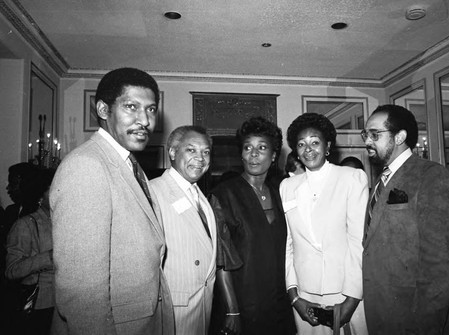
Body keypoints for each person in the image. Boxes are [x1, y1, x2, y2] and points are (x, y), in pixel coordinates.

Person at [50, 67, 174, 334]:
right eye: (132, 107)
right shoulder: (86, 166)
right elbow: (81, 293)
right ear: (104, 111)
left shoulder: (129, 164)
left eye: (151, 109)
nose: (145, 120)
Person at [361, 104, 449, 335]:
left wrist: (422, 326)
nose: (367, 141)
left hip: (416, 320)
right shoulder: (380, 181)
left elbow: (441, 266)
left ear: (400, 137)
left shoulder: (432, 176)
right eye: (365, 134)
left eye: (374, 134)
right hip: (383, 313)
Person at [280, 112, 368, 335]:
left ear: (328, 145)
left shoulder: (351, 178)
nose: (308, 149)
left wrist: (352, 296)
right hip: (305, 294)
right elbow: (288, 243)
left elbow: (358, 241)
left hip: (344, 291)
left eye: (315, 142)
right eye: (301, 144)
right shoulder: (287, 186)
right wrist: (294, 295)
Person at [209, 117, 295, 335]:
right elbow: (221, 259)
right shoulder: (224, 194)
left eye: (262, 147)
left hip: (278, 303)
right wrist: (232, 311)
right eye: (248, 147)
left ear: (274, 155)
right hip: (242, 303)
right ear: (241, 154)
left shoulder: (280, 193)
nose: (254, 154)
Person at [150, 125, 217, 335]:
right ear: (172, 152)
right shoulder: (154, 192)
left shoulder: (200, 195)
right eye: (191, 150)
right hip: (174, 309)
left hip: (202, 305)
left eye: (205, 152)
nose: (200, 158)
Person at [5, 168, 56, 335]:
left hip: (64, 305)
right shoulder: (25, 225)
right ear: (40, 196)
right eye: (53, 188)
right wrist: (47, 258)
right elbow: (12, 270)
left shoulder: (65, 222)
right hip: (39, 306)